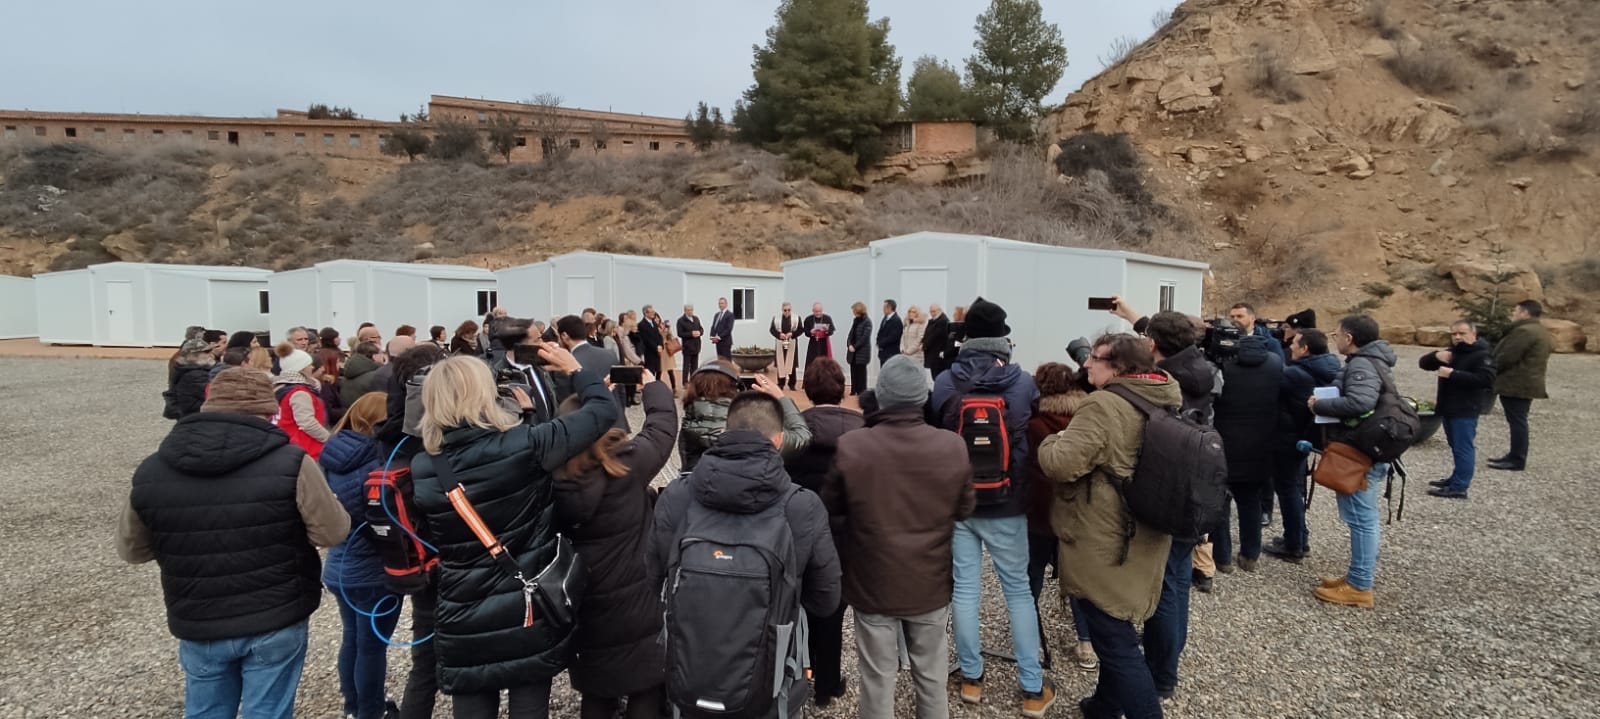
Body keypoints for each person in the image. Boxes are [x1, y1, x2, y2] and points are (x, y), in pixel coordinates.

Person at [117, 367, 349, 719]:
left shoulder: (152, 469)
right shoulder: (292, 463)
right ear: (267, 410)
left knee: (206, 711)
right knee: (268, 711)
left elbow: (132, 550)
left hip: (198, 613)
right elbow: (331, 533)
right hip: (277, 611)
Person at [410, 350, 619, 719]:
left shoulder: (425, 467)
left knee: (472, 700)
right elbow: (603, 412)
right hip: (526, 602)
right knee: (529, 701)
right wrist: (577, 372)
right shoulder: (526, 445)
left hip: (463, 605)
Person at [647, 392, 842, 719]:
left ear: (724, 434)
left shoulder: (678, 496)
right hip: (768, 673)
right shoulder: (801, 506)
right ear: (779, 441)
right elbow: (826, 598)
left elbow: (651, 579)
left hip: (688, 669)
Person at [824, 355, 979, 719]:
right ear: (922, 398)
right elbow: (965, 509)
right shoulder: (951, 446)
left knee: (877, 680)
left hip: (872, 581)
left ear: (883, 398)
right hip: (929, 582)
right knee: (931, 676)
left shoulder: (853, 445)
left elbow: (830, 506)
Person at [1038, 334, 1180, 719]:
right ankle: (1104, 705)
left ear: (1118, 368)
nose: (1086, 364)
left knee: (1114, 640)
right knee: (1115, 626)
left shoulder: (1103, 405)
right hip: (1146, 529)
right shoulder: (1164, 393)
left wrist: (1053, 440)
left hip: (1105, 536)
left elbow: (1061, 464)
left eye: (1095, 359)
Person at [930, 298, 1049, 710]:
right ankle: (1032, 688)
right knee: (1017, 591)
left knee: (965, 588)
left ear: (966, 338)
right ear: (1003, 338)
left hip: (960, 501)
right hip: (1007, 500)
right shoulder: (1022, 382)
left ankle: (972, 679)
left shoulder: (946, 382)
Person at [552, 369, 675, 719]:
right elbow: (662, 427)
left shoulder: (549, 478)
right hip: (635, 594)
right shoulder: (625, 467)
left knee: (597, 687)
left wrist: (588, 397)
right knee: (646, 685)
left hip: (582, 598)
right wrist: (652, 386)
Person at [784, 358, 865, 707]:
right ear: (843, 388)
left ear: (808, 389)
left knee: (799, 604)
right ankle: (827, 681)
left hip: (799, 528)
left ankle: (804, 671)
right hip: (848, 532)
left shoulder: (796, 430)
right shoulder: (862, 430)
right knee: (833, 607)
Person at [319, 393, 401, 719]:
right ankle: (370, 711)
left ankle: (353, 706)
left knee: (352, 639)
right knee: (371, 646)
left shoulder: (330, 455)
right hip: (371, 569)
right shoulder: (374, 466)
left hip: (339, 564)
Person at [1307, 315, 1397, 608]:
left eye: (1338, 334)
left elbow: (1360, 403)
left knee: (1362, 519)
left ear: (1350, 337)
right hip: (1368, 449)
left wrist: (1320, 405)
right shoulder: (1372, 362)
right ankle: (1357, 576)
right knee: (1362, 517)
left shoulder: (1361, 364)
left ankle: (1360, 586)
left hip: (1361, 453)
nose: (1335, 338)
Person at [1024, 362, 1096, 671]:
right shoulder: (1088, 420)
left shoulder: (1033, 424)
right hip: (1077, 511)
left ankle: (1027, 636)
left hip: (1040, 512)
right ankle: (1087, 643)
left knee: (1033, 574)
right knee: (1078, 578)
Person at [1209, 321, 1284, 574]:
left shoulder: (1221, 365)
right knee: (1251, 501)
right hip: (1260, 444)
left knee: (1220, 501)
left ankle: (1222, 558)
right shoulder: (1275, 363)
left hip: (1224, 442)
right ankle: (1250, 555)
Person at [1264, 329, 1341, 563]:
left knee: (1287, 491)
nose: (1291, 348)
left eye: (1295, 344)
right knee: (1295, 488)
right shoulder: (1327, 367)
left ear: (1305, 348)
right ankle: (1299, 537)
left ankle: (1294, 544)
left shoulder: (1295, 374)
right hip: (1306, 434)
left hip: (1289, 436)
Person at [679, 361, 810, 473]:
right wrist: (781, 398)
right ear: (738, 388)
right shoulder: (752, 429)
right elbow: (801, 436)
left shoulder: (688, 427)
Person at [1420, 320, 1497, 498]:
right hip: (1448, 407)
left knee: (1463, 448)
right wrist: (1436, 356)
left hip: (1465, 409)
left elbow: (1485, 380)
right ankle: (1456, 478)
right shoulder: (1452, 352)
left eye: (1462, 333)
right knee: (1455, 445)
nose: (1457, 337)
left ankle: (1460, 487)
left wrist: (1454, 374)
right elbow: (1423, 364)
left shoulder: (1482, 355)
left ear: (1474, 334)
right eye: (1454, 334)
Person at [1489, 300, 1554, 471]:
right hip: (1525, 382)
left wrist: (1490, 369)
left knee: (1517, 421)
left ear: (1525, 313)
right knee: (1517, 420)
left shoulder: (1524, 331)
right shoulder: (1538, 330)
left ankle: (1517, 458)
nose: (1513, 314)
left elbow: (1508, 356)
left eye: (1515, 311)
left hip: (1517, 383)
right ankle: (1514, 455)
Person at [273, 345, 330, 461]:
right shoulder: (300, 393)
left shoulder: (281, 388)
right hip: (307, 448)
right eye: (309, 365)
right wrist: (329, 438)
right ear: (301, 367)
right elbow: (307, 423)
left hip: (291, 445)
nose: (312, 367)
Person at [166, 338, 215, 420]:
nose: (211, 354)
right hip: (196, 418)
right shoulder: (195, 376)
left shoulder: (189, 370)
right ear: (193, 356)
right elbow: (213, 394)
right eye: (206, 352)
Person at [341, 342, 388, 408]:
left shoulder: (346, 375)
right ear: (374, 356)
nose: (383, 355)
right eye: (381, 352)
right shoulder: (377, 377)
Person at [801, 302, 836, 382]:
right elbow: (805, 332)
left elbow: (831, 331)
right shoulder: (808, 319)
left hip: (824, 344)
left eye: (819, 311)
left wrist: (827, 330)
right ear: (813, 311)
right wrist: (811, 332)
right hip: (813, 344)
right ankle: (809, 382)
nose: (818, 313)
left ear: (822, 310)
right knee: (811, 363)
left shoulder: (827, 318)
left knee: (824, 363)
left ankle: (825, 381)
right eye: (816, 311)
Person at [315, 347, 348, 428]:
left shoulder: (329, 383)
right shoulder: (326, 385)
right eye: (337, 362)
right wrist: (347, 412)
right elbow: (328, 410)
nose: (339, 366)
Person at [770, 302, 801, 390]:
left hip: (792, 343)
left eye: (789, 310)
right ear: (782, 310)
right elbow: (772, 330)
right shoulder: (776, 318)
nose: (787, 312)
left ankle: (792, 384)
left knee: (792, 364)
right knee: (781, 364)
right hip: (780, 343)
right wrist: (779, 335)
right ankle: (781, 383)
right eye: (785, 310)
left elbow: (800, 329)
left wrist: (793, 334)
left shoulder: (796, 318)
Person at [845, 302, 873, 396]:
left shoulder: (867, 322)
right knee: (853, 371)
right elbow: (850, 334)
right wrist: (849, 344)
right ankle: (854, 390)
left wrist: (855, 346)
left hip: (862, 352)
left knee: (861, 372)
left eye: (854, 310)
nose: (853, 312)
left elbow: (865, 337)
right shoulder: (855, 320)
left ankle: (861, 391)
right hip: (852, 351)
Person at [923, 304, 950, 381]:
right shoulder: (933, 321)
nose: (932, 313)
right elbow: (927, 334)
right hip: (931, 353)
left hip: (936, 353)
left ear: (940, 310)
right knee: (932, 374)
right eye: (931, 311)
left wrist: (926, 345)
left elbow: (935, 336)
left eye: (934, 311)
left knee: (936, 375)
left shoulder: (943, 321)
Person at [636, 305, 664, 380]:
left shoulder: (654, 323)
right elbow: (646, 339)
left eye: (653, 311)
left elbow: (659, 336)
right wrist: (656, 347)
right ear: (646, 313)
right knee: (650, 373)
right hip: (649, 352)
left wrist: (660, 345)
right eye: (651, 312)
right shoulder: (642, 325)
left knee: (658, 371)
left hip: (657, 352)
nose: (653, 313)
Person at [676, 305, 704, 378]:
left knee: (695, 366)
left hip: (696, 345)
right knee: (686, 366)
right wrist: (691, 334)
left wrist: (699, 332)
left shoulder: (696, 318)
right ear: (685, 311)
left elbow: (701, 329)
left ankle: (693, 381)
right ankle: (685, 383)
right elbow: (680, 333)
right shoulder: (681, 321)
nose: (690, 311)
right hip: (687, 346)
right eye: (688, 310)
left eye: (691, 310)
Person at [877, 299, 903, 367]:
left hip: (891, 353)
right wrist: (878, 341)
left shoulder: (896, 320)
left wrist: (881, 343)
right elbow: (880, 332)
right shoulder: (885, 318)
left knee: (890, 374)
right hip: (883, 353)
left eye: (884, 307)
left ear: (890, 308)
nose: (883, 309)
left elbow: (894, 337)